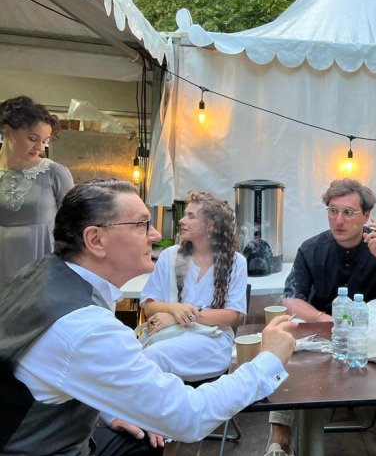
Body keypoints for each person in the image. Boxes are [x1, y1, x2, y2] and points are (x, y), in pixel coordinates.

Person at [0, 179, 297, 455]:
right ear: (96, 239)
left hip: (37, 435)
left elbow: (66, 370)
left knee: (145, 434)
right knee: (155, 429)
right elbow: (189, 416)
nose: (155, 235)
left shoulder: (42, 274)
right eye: (142, 225)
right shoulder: (85, 326)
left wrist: (111, 411)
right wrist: (267, 360)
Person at [266, 178, 376, 456]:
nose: (338, 220)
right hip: (322, 332)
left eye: (348, 212)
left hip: (372, 339)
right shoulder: (312, 249)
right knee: (282, 351)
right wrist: (324, 319)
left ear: (366, 216)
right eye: (333, 211)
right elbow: (291, 298)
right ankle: (280, 442)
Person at [140, 191, 247, 382]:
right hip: (168, 335)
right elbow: (149, 306)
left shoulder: (236, 261)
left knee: (153, 357)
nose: (182, 221)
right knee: (140, 358)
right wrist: (174, 308)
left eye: (191, 216)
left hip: (211, 340)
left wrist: (178, 317)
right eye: (184, 215)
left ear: (210, 226)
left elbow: (231, 316)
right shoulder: (169, 255)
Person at [0, 95, 74, 284]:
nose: (39, 147)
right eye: (33, 138)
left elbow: (74, 225)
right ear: (7, 131)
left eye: (44, 141)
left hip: (41, 271)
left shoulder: (54, 173)